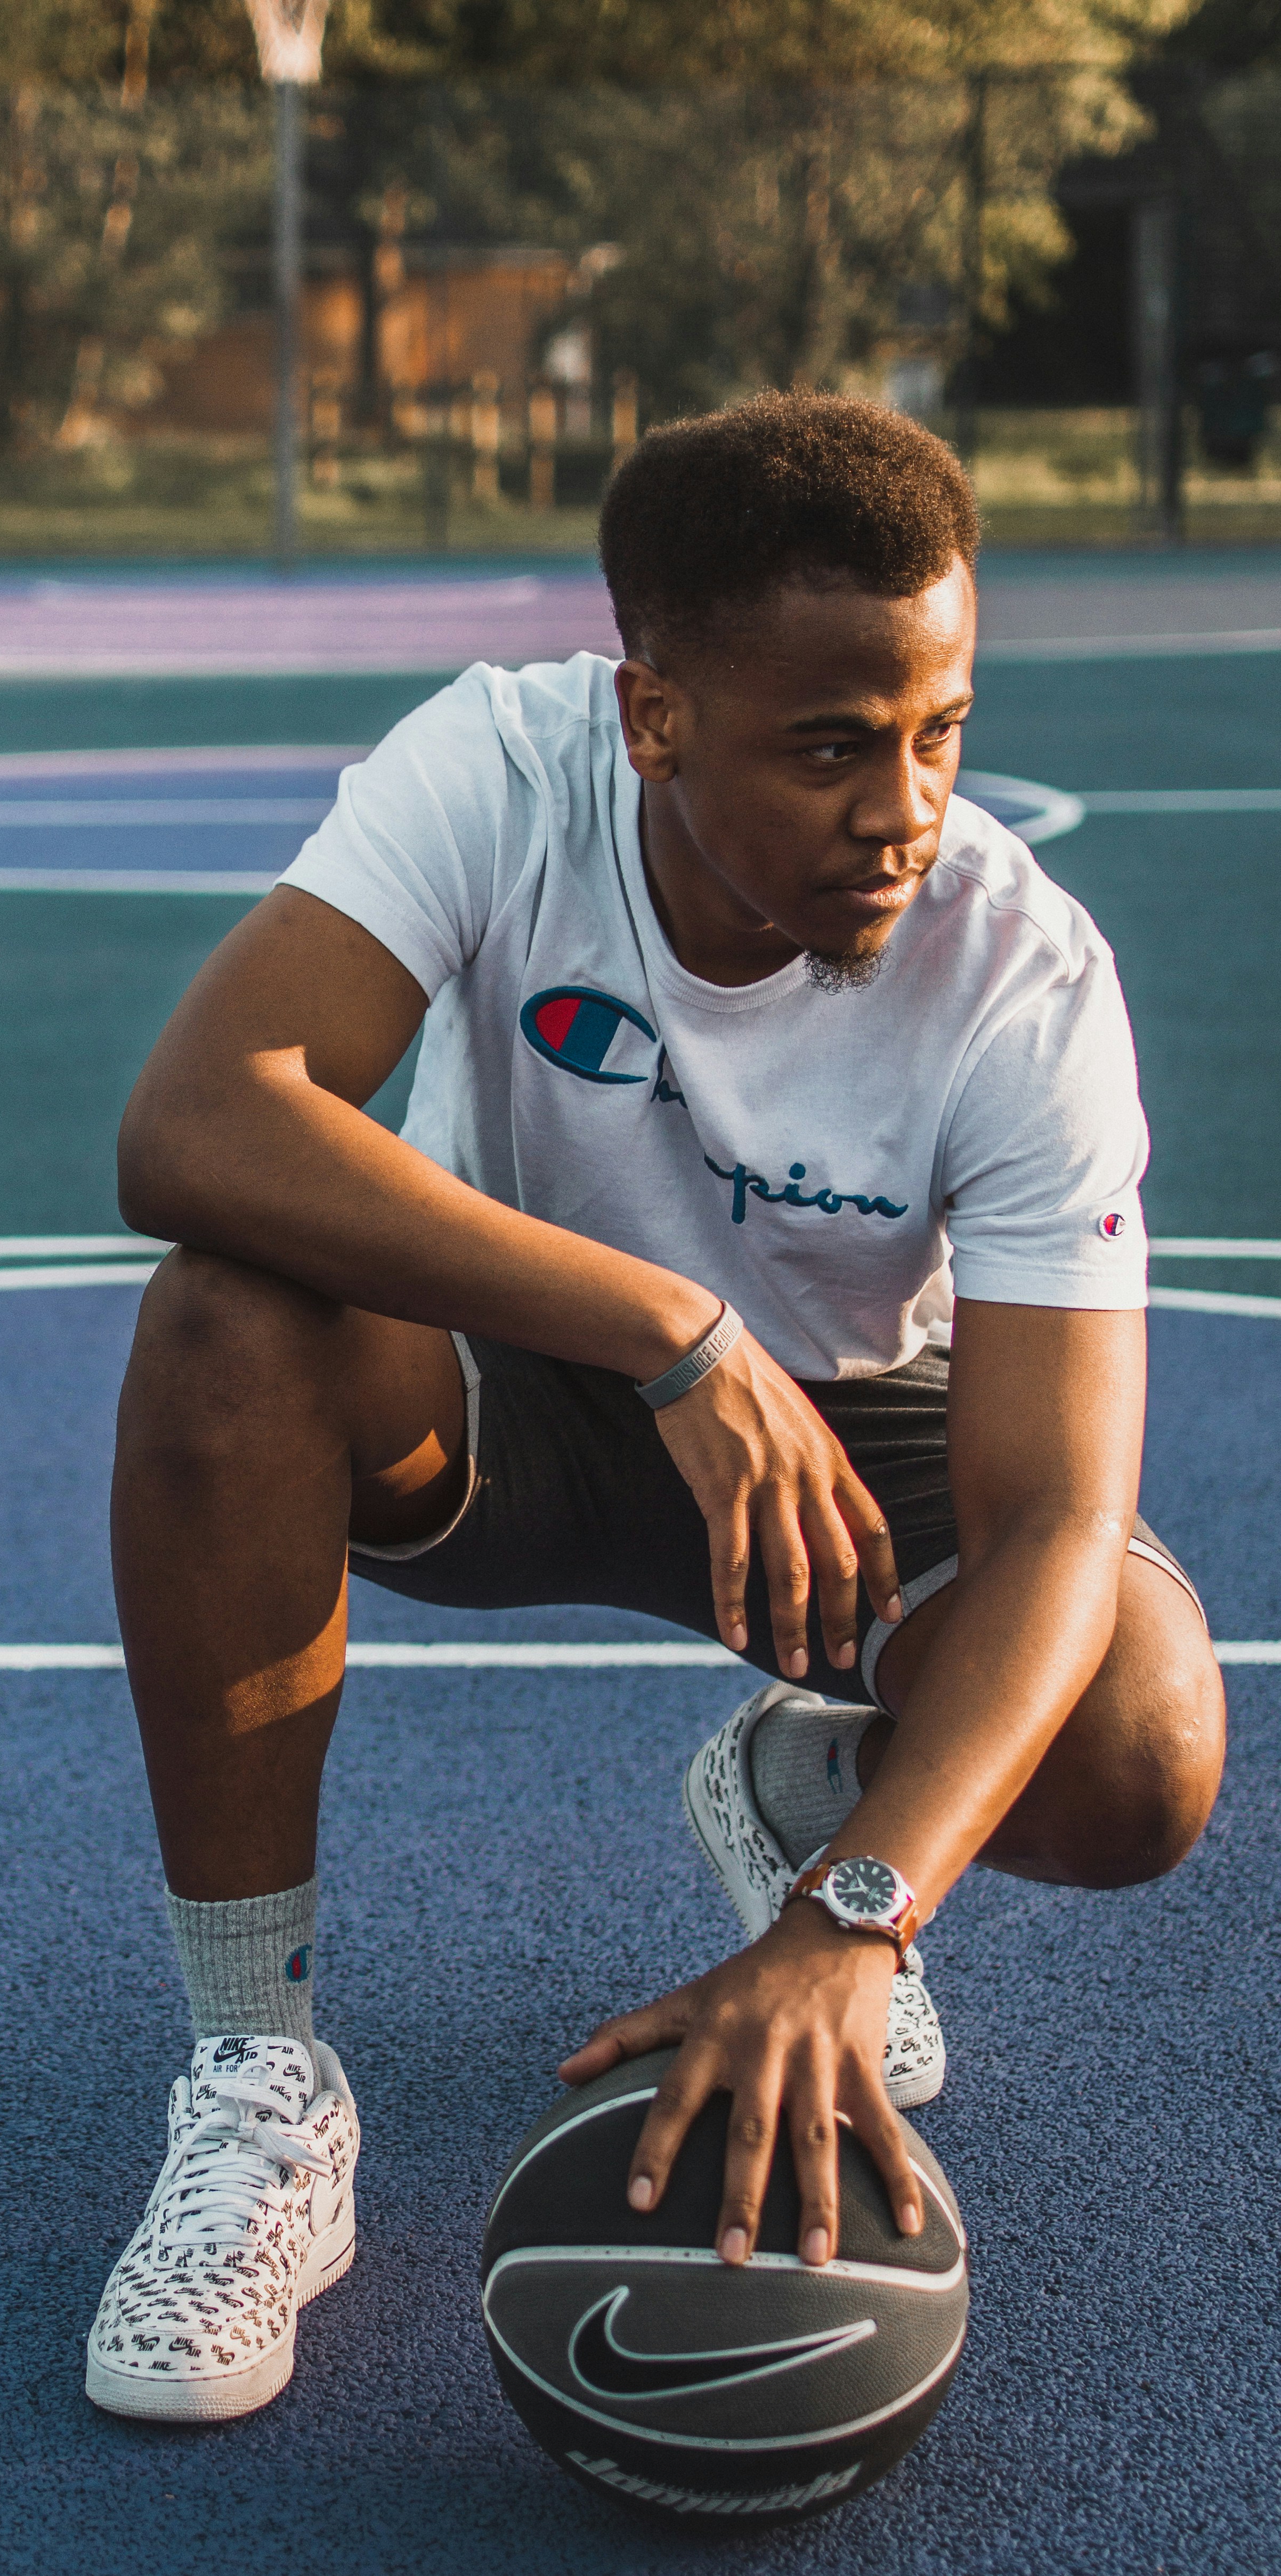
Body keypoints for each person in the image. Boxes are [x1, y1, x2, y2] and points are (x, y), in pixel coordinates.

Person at [83, 392, 1226, 2425]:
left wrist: (850, 1919)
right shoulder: (502, 765)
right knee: (223, 1320)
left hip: (859, 1456)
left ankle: (803, 1790)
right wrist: (671, 1331)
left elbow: (1056, 1517)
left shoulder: (1021, 975)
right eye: (830, 741)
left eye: (938, 728)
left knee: (1139, 1742)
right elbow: (190, 1120)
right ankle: (258, 2077)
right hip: (524, 1388)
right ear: (653, 719)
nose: (904, 806)